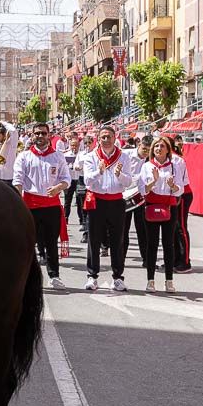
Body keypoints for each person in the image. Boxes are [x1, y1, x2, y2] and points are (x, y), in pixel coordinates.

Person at [76, 124, 136, 292]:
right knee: (94, 240)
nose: (106, 140)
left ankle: (118, 277)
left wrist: (119, 174)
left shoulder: (123, 157)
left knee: (117, 241)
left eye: (109, 136)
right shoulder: (91, 157)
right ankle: (92, 276)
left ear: (115, 137)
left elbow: (128, 182)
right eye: (103, 137)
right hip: (97, 201)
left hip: (116, 201)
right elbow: (88, 181)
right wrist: (99, 171)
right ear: (98, 138)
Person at [14, 122, 72, 290]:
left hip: (51, 205)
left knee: (51, 243)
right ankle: (27, 277)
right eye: (37, 133)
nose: (40, 136)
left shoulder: (58, 156)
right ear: (32, 135)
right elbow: (18, 180)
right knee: (29, 242)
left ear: (49, 135)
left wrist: (58, 188)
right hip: (30, 205)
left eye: (43, 133)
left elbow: (66, 179)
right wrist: (18, 203)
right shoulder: (24, 156)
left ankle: (54, 276)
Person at [139, 136, 186, 293]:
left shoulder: (174, 166)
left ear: (168, 149)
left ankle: (169, 280)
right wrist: (153, 181)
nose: (158, 148)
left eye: (162, 146)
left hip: (169, 206)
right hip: (151, 205)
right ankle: (150, 280)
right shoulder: (147, 166)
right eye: (156, 146)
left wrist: (173, 186)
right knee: (152, 244)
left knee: (168, 244)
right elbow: (142, 189)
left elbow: (180, 190)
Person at [122, 135, 153, 259]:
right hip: (125, 195)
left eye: (148, 150)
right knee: (124, 228)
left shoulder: (150, 160)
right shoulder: (126, 154)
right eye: (144, 149)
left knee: (143, 229)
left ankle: (146, 259)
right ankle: (121, 258)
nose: (146, 152)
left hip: (141, 197)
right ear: (139, 145)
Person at [172, 135, 194, 272]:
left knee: (181, 228)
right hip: (173, 195)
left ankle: (185, 261)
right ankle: (175, 259)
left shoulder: (175, 159)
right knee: (173, 228)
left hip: (182, 194)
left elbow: (180, 181)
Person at [62, 131, 82, 223]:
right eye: (72, 145)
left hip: (79, 180)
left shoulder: (82, 155)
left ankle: (82, 219)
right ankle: (65, 218)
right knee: (67, 201)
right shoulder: (65, 155)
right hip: (69, 180)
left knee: (79, 201)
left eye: (76, 145)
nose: (74, 147)